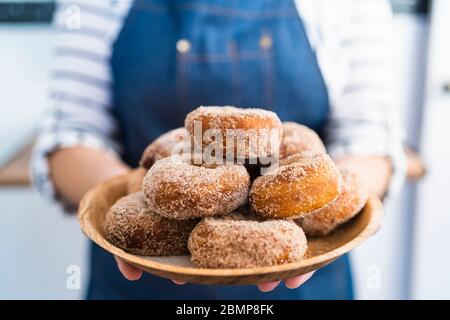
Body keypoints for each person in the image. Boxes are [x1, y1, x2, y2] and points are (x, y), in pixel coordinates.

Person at [32, 0, 406, 300]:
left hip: (310, 277)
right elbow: (71, 133)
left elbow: (370, 135)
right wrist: (130, 193)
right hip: (137, 284)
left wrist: (322, 207)